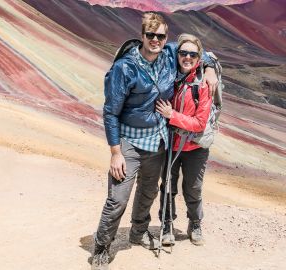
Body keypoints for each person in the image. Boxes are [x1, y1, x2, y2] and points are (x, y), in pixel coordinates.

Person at [92, 12, 218, 269]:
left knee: (148, 192)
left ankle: (139, 233)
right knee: (118, 198)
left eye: (160, 36)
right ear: (142, 35)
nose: (156, 40)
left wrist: (209, 70)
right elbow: (111, 112)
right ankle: (102, 247)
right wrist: (115, 152)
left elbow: (198, 53)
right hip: (129, 141)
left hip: (158, 143)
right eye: (151, 35)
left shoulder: (170, 55)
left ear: (166, 38)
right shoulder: (124, 68)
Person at [155, 33, 212, 247]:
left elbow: (199, 123)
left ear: (199, 59)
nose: (187, 57)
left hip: (194, 147)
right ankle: (167, 224)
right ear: (177, 55)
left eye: (192, 54)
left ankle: (195, 223)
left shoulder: (203, 85)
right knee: (168, 185)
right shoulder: (170, 78)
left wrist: (173, 116)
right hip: (170, 144)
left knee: (193, 188)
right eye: (183, 53)